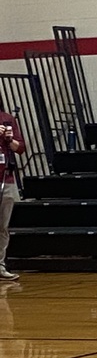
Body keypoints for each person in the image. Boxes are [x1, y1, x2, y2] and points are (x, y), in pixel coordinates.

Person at [0, 106, 26, 282]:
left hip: (5, 178)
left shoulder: (7, 118)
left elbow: (20, 148)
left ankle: (0, 265)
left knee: (2, 226)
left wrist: (9, 140)